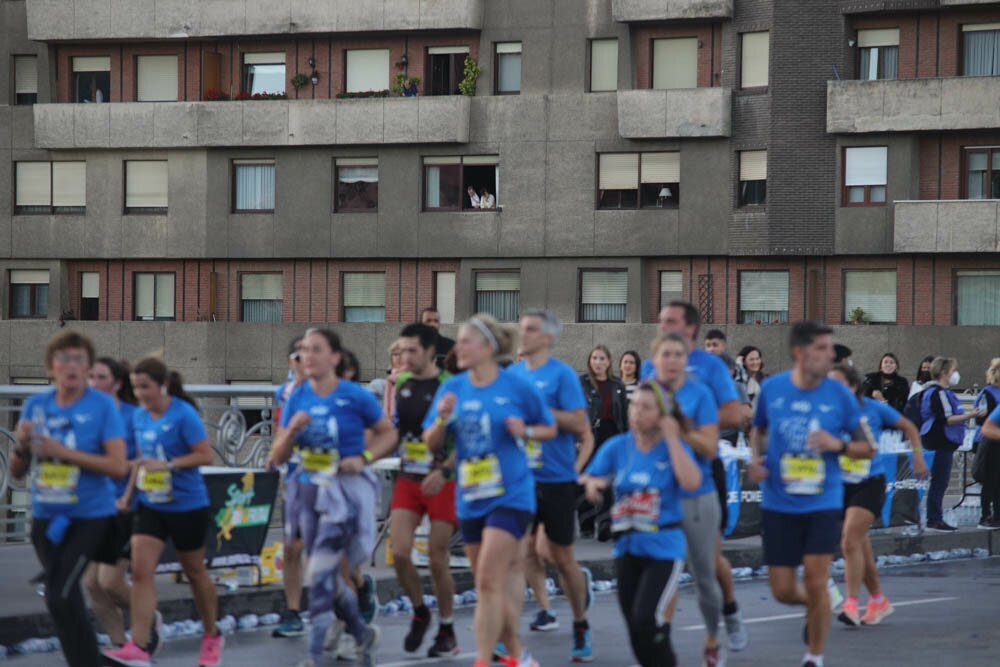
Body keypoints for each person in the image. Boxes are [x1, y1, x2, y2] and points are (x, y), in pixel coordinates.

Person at [422, 314, 557, 667]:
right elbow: (431, 443)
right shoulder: (452, 388)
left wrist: (525, 431)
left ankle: (483, 660)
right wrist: (440, 420)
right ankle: (517, 654)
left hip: (511, 495)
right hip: (471, 496)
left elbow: (549, 428)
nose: (458, 348)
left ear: (487, 347)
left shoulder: (516, 386)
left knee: (485, 579)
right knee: (489, 587)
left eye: (466, 341)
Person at [266, 328, 397, 667]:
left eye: (316, 349)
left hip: (345, 496)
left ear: (335, 357)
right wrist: (292, 431)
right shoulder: (297, 396)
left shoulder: (354, 396)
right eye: (304, 350)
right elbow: (277, 456)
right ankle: (361, 633)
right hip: (307, 494)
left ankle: (313, 655)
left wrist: (364, 458)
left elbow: (389, 433)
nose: (307, 356)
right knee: (326, 576)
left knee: (321, 572)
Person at [748, 321, 874, 667]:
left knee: (817, 579)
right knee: (783, 590)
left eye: (830, 348)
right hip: (779, 501)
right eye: (822, 348)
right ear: (799, 353)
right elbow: (757, 430)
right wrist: (756, 460)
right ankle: (815, 606)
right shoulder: (772, 389)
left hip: (823, 501)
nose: (831, 355)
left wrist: (839, 444)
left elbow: (868, 448)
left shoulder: (840, 395)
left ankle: (813, 657)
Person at [10, 331, 127, 667]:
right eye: (64, 358)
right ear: (50, 367)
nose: (71, 365)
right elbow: (17, 472)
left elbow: (118, 467)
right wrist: (21, 445)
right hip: (47, 517)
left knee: (60, 594)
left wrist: (65, 452)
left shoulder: (102, 406)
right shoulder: (36, 405)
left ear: (88, 367)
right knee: (64, 600)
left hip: (91, 516)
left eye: (79, 359)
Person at [644, 302, 749, 653]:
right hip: (662, 472)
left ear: (690, 328)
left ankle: (728, 613)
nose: (662, 326)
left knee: (707, 562)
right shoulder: (650, 366)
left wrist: (689, 424)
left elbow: (735, 414)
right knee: (668, 560)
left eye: (670, 321)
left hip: (703, 469)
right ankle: (663, 641)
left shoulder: (710, 367)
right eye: (661, 321)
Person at [104, 357, 222, 667]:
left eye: (146, 387)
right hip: (151, 504)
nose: (140, 394)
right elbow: (143, 457)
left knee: (195, 574)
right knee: (141, 573)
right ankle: (139, 646)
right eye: (135, 388)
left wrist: (169, 465)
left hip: (187, 505)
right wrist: (129, 495)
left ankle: (211, 635)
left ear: (163, 386)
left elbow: (204, 456)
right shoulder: (141, 417)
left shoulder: (184, 415)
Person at [579, 382, 703, 667]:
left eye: (646, 407)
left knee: (646, 618)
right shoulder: (617, 446)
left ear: (662, 414)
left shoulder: (674, 447)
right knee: (635, 627)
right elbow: (592, 475)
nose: (636, 412)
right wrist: (593, 484)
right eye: (634, 405)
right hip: (627, 546)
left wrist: (673, 439)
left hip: (663, 547)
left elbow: (692, 482)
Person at [509, 310, 595, 661]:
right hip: (519, 479)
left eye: (529, 329)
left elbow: (578, 422)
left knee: (561, 558)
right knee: (519, 554)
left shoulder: (562, 376)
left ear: (547, 337)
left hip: (556, 478)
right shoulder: (513, 373)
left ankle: (579, 622)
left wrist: (540, 409)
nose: (522, 333)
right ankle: (510, 629)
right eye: (521, 327)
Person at [646, 331, 726, 666]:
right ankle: (660, 644)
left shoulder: (700, 394)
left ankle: (711, 637)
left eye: (679, 355)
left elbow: (710, 448)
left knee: (704, 577)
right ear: (655, 359)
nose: (672, 361)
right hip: (660, 497)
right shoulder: (647, 393)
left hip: (698, 494)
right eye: (666, 354)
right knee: (663, 573)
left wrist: (681, 431)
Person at [382, 323, 460, 657]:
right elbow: (395, 430)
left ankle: (447, 628)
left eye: (412, 351)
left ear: (430, 351)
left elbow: (465, 440)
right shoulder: (401, 383)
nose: (405, 357)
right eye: (402, 351)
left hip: (442, 479)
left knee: (437, 560)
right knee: (399, 553)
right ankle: (419, 610)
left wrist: (444, 469)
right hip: (409, 477)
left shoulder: (449, 386)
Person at [828, 363, 927, 627]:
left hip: (869, 482)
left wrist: (917, 459)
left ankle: (850, 605)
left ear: (852, 387)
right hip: (840, 485)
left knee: (850, 540)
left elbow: (910, 427)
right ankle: (878, 599)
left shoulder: (872, 408)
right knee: (859, 547)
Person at [83, 358, 146, 654]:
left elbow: (143, 461)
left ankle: (149, 620)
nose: (93, 382)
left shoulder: (134, 416)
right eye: (90, 376)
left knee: (110, 582)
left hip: (126, 507)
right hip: (94, 508)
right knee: (92, 584)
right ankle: (120, 644)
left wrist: (127, 495)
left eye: (100, 377)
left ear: (118, 383)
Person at [272, 336, 309, 638]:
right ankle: (293, 610)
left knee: (334, 553)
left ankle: (358, 591)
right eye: (298, 356)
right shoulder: (284, 393)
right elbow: (279, 435)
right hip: (298, 476)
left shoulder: (336, 392)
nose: (303, 362)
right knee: (292, 547)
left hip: (332, 480)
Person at [919, 357, 981, 532]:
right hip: (940, 441)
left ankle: (934, 517)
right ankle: (934, 519)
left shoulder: (940, 392)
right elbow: (947, 418)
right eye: (953, 371)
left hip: (943, 441)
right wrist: (970, 415)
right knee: (939, 481)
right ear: (943, 373)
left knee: (939, 480)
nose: (955, 374)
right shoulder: (938, 393)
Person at [579, 344, 628, 539]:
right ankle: (586, 523)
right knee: (588, 477)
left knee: (608, 480)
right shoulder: (582, 383)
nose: (598, 363)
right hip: (589, 434)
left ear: (609, 362)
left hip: (611, 433)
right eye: (594, 358)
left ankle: (606, 522)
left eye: (602, 359)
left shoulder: (617, 385)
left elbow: (623, 414)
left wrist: (625, 438)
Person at [973, 359, 1000, 529]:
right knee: (991, 479)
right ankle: (985, 515)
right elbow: (981, 418)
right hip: (989, 441)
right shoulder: (987, 393)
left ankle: (998, 514)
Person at [736, 345, 766, 413]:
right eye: (751, 359)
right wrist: (738, 367)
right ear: (744, 362)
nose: (755, 362)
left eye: (757, 359)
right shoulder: (739, 379)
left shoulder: (765, 378)